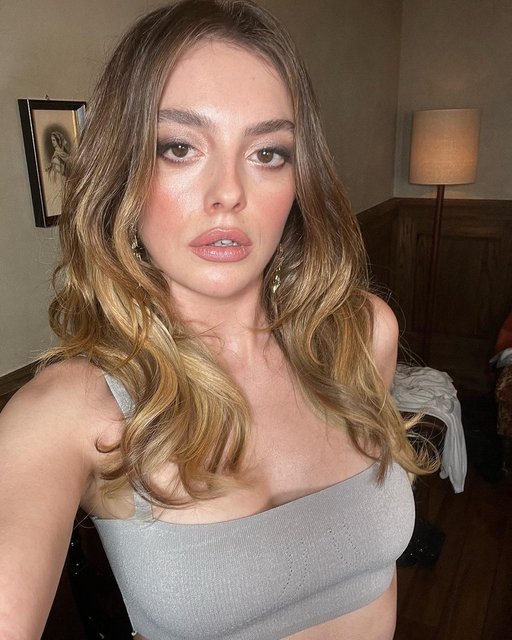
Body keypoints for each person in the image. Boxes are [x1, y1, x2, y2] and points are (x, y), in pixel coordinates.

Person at [0, 1, 434, 638]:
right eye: (179, 148)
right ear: (122, 173)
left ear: (300, 180)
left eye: (268, 153)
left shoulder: (363, 335)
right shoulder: (75, 411)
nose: (228, 192)